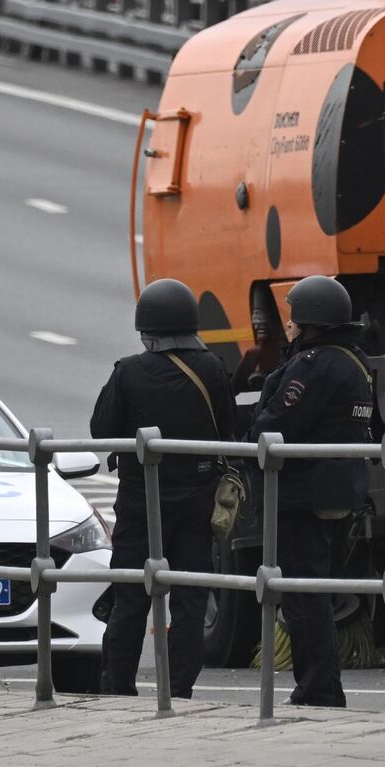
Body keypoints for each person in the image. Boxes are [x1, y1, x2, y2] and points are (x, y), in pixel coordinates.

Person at [89, 278, 234, 698]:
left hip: (141, 500)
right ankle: (178, 689)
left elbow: (101, 430)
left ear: (146, 329)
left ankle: (118, 687)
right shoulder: (212, 368)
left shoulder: (129, 372)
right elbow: (227, 431)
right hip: (199, 498)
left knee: (130, 596)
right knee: (191, 599)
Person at [250, 275, 373, 708]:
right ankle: (319, 685)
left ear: (311, 322)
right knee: (316, 590)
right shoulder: (355, 362)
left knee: (305, 598)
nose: (291, 327)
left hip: (303, 496)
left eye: (295, 319)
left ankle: (318, 687)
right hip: (343, 494)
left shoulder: (313, 365)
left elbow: (274, 426)